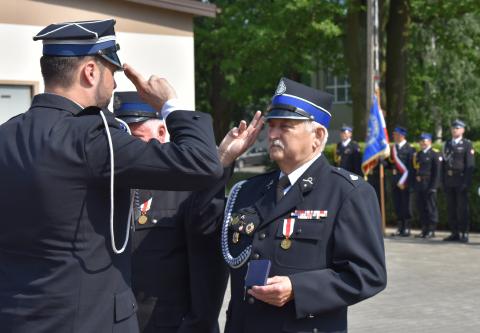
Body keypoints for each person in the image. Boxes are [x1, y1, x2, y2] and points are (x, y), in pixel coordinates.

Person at [0, 19, 225, 333]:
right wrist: (168, 105)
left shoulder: (7, 134)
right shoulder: (92, 136)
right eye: (112, 72)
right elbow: (203, 163)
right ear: (90, 71)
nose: (115, 85)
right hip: (87, 321)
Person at [221, 78, 387, 333]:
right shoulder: (248, 190)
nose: (272, 135)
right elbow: (200, 229)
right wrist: (223, 161)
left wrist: (297, 289)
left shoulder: (347, 192)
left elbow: (366, 273)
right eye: (271, 126)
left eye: (285, 127)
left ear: (317, 136)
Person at [113, 91, 263, 333]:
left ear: (161, 133)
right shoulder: (111, 184)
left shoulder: (185, 182)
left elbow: (207, 265)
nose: (128, 149)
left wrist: (197, 325)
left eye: (136, 138)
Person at [442, 120, 475, 243]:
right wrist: (443, 182)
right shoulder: (447, 144)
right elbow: (443, 166)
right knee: (451, 208)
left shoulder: (467, 144)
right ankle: (454, 232)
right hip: (449, 180)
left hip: (461, 180)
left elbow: (470, 165)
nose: (455, 130)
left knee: (462, 209)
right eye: (453, 128)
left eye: (457, 128)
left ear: (463, 130)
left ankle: (464, 233)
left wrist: (466, 183)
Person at [412, 133, 441, 239]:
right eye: (422, 140)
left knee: (431, 208)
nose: (423, 142)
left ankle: (431, 230)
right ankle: (424, 229)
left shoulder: (434, 154)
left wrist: (434, 186)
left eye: (425, 140)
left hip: (429, 184)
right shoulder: (418, 154)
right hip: (420, 185)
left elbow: (437, 172)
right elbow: (415, 170)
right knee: (421, 207)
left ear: (430, 141)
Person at [388, 126, 415, 236]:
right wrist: (382, 162)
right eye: (394, 134)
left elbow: (411, 168)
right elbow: (390, 164)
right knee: (397, 204)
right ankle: (400, 227)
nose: (394, 136)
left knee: (406, 205)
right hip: (395, 180)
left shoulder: (410, 149)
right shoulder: (393, 148)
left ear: (402, 136)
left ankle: (407, 227)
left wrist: (406, 181)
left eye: (396, 134)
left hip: (405, 181)